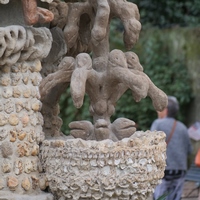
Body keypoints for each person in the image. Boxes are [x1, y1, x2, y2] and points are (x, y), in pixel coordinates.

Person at [151, 96, 192, 200]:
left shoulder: (158, 124)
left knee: (160, 197)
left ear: (166, 110)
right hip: (180, 172)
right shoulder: (183, 127)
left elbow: (151, 147)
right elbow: (189, 150)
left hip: (164, 172)